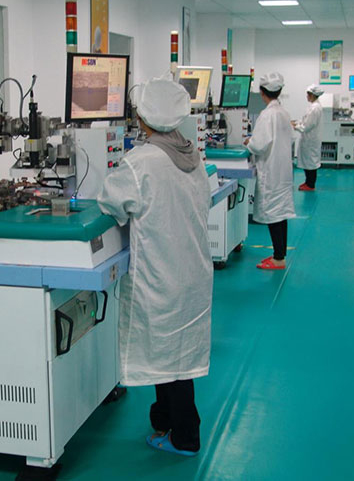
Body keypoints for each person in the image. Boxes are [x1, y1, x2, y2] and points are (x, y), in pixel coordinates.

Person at [97, 77, 213, 457]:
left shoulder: (141, 162)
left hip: (163, 274)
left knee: (169, 356)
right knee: (173, 353)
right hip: (192, 271)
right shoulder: (192, 155)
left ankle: (186, 437)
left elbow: (111, 203)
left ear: (144, 119)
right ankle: (163, 419)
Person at [244, 72, 295, 270]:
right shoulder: (283, 113)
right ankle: (279, 254)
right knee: (280, 215)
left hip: (272, 172)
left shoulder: (267, 115)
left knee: (274, 215)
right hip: (282, 171)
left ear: (262, 92)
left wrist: (249, 142)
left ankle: (278, 259)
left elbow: (259, 145)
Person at [293, 84, 324, 191]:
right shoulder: (314, 106)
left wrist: (295, 126)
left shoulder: (315, 108)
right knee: (308, 161)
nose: (307, 96)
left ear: (312, 95)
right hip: (309, 139)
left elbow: (306, 126)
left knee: (311, 162)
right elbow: (305, 121)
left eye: (308, 94)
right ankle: (308, 182)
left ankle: (310, 185)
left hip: (310, 139)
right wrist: (296, 122)